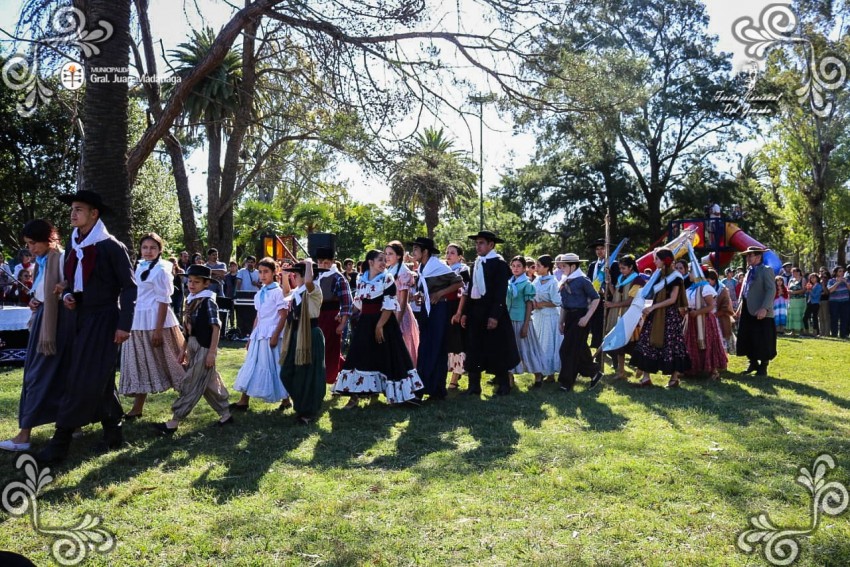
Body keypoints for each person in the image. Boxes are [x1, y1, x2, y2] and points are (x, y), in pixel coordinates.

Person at [36, 190, 137, 465]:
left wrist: (124, 325)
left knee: (80, 377)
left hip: (104, 320)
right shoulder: (75, 243)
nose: (73, 213)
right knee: (99, 378)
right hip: (79, 318)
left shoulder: (111, 246)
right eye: (72, 209)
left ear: (94, 214)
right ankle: (113, 433)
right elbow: (75, 282)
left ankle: (60, 442)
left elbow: (129, 287)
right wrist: (69, 295)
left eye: (79, 209)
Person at [1, 220, 74, 453]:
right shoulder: (43, 261)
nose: (30, 249)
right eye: (28, 245)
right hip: (44, 318)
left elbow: (71, 286)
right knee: (42, 375)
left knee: (38, 376)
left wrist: (63, 289)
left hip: (54, 325)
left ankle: (24, 435)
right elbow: (42, 290)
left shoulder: (61, 258)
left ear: (48, 239)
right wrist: (35, 299)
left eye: (34, 243)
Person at [332, 250, 424, 407]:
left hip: (385, 323)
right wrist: (344, 314)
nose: (384, 262)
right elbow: (358, 303)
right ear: (371, 262)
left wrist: (380, 326)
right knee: (358, 356)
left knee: (390, 357)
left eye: (385, 259)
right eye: (380, 259)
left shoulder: (387, 279)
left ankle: (397, 395)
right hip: (365, 324)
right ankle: (355, 396)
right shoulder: (362, 280)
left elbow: (388, 306)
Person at [154, 265, 233, 435]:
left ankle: (174, 420)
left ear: (206, 284)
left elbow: (216, 328)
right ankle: (225, 413)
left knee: (191, 382)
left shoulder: (208, 301)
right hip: (193, 345)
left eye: (196, 282)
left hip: (205, 347)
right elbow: (188, 331)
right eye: (190, 281)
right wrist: (183, 350)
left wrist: (212, 352)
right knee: (209, 383)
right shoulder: (190, 300)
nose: (191, 284)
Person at [119, 233, 186, 420]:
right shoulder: (139, 266)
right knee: (141, 365)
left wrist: (158, 330)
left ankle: (190, 398)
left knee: (174, 364)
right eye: (145, 247)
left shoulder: (162, 269)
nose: (148, 251)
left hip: (157, 322)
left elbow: (164, 301)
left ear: (160, 250)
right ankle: (137, 408)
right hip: (137, 323)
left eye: (153, 248)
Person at [460, 230, 520, 396]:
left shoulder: (499, 264)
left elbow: (500, 292)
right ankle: (473, 386)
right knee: (474, 348)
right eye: (477, 243)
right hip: (476, 312)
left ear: (491, 245)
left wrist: (494, 316)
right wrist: (465, 312)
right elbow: (471, 288)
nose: (477, 246)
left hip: (493, 311)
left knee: (497, 348)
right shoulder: (477, 263)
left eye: (481, 243)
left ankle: (503, 385)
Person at [230, 258, 291, 411]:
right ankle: (244, 400)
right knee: (252, 364)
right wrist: (251, 337)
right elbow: (258, 316)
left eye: (266, 272)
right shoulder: (259, 294)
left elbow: (283, 315)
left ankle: (286, 399)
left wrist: (276, 335)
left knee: (275, 365)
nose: (262, 275)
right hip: (259, 334)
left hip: (271, 334)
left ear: (274, 272)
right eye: (260, 272)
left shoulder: (278, 292)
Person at [410, 237, 463, 400]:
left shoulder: (437, 265)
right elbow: (425, 288)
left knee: (434, 346)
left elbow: (458, 282)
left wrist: (440, 293)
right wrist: (420, 295)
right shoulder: (423, 267)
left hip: (440, 309)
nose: (413, 253)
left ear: (425, 251)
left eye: (416, 250)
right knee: (427, 346)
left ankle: (427, 389)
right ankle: (435, 389)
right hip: (427, 309)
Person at [630, 248, 690, 388]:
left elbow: (672, 299)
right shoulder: (658, 275)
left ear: (664, 260)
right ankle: (646, 377)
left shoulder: (676, 277)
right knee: (647, 341)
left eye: (656, 258)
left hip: (669, 316)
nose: (654, 261)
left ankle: (674, 378)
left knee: (672, 345)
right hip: (655, 313)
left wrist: (653, 307)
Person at [279, 260, 326, 425]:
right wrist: (285, 276)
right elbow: (286, 293)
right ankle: (301, 405)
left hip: (310, 335)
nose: (294, 276)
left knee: (308, 375)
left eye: (296, 274)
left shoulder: (314, 290)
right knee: (287, 372)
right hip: (296, 334)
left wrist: (308, 264)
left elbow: (308, 281)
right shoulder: (298, 291)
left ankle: (308, 411)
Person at [556, 253, 603, 391]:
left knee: (566, 350)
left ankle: (566, 382)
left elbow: (596, 298)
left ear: (573, 266)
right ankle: (594, 372)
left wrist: (587, 317)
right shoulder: (566, 280)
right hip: (569, 317)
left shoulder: (583, 280)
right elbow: (564, 303)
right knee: (579, 349)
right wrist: (561, 321)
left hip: (580, 316)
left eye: (564, 266)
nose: (561, 268)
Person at [735, 246, 777, 376]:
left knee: (763, 339)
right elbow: (745, 292)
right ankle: (752, 362)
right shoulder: (748, 271)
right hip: (748, 309)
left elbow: (771, 290)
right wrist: (739, 308)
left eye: (750, 255)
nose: (747, 258)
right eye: (747, 255)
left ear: (758, 256)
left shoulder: (766, 270)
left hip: (761, 310)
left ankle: (763, 366)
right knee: (747, 337)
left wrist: (764, 308)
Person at [681, 262, 727, 381]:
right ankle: (692, 368)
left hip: (704, 320)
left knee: (708, 343)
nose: (689, 274)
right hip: (691, 320)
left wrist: (697, 312)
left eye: (691, 271)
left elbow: (711, 306)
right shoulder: (690, 288)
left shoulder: (706, 288)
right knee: (691, 343)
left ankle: (713, 371)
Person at [315, 246, 353, 383]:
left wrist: (342, 323)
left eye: (326, 262)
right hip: (317, 317)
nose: (323, 265)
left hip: (331, 316)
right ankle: (348, 370)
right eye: (320, 262)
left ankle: (330, 378)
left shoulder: (338, 278)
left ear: (332, 262)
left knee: (331, 349)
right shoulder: (316, 276)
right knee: (319, 348)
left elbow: (347, 302)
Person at [506, 255, 546, 388]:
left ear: (524, 268)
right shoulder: (510, 282)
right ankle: (510, 378)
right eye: (513, 266)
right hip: (509, 319)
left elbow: (529, 305)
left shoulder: (527, 284)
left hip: (522, 319)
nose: (516, 268)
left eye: (519, 266)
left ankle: (538, 375)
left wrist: (526, 324)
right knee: (510, 349)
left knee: (527, 348)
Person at [603, 255, 644, 380]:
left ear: (631, 267)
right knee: (620, 345)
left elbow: (631, 301)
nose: (621, 270)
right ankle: (621, 372)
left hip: (631, 316)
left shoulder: (637, 281)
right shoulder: (621, 278)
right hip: (619, 315)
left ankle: (641, 367)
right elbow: (616, 294)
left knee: (633, 345)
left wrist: (613, 304)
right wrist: (609, 283)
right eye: (620, 268)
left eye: (624, 268)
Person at [385, 241, 420, 366]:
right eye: (386, 254)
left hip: (400, 312)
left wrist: (398, 321)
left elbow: (403, 299)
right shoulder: (389, 269)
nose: (387, 257)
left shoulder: (402, 271)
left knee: (403, 343)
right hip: (388, 310)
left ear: (398, 256)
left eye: (390, 254)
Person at [530, 254, 561, 386]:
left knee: (547, 343)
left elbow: (557, 302)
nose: (535, 268)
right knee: (537, 343)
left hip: (549, 316)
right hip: (537, 316)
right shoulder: (536, 280)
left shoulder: (553, 282)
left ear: (546, 267)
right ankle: (539, 371)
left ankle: (550, 373)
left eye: (538, 265)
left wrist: (542, 304)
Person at [445, 243, 469, 390]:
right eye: (447, 252)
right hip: (445, 307)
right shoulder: (443, 269)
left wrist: (459, 312)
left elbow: (465, 292)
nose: (448, 255)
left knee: (457, 342)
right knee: (448, 342)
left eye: (452, 252)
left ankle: (455, 377)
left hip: (457, 306)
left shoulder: (463, 269)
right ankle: (451, 372)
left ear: (460, 256)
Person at [586, 238, 617, 350]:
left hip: (608, 300)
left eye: (602, 248)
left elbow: (617, 283)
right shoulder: (592, 265)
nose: (599, 251)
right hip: (594, 300)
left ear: (607, 249)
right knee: (595, 327)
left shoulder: (613, 264)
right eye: (597, 249)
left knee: (607, 327)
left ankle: (610, 351)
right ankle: (596, 347)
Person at [707, 269, 736, 354]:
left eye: (708, 280)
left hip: (720, 319)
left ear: (714, 280)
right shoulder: (705, 288)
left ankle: (723, 361)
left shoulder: (722, 289)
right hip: (708, 318)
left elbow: (726, 306)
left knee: (721, 339)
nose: (707, 282)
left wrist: (716, 314)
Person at [827, 266, 850, 338]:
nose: (842, 273)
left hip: (845, 302)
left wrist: (846, 282)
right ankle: (834, 334)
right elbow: (830, 290)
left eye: (843, 271)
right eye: (840, 271)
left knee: (844, 318)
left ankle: (843, 334)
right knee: (834, 318)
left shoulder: (847, 280)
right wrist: (838, 282)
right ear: (836, 272)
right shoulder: (831, 281)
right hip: (834, 302)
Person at [786, 267, 805, 336]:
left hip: (800, 300)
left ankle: (800, 330)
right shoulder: (791, 280)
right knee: (792, 315)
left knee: (799, 315)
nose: (794, 273)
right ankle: (792, 331)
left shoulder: (802, 279)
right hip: (791, 300)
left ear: (799, 272)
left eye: (795, 272)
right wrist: (788, 293)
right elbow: (788, 289)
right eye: (792, 272)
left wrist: (794, 292)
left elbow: (803, 290)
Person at [803, 273, 822, 337]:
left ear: (817, 278)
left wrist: (810, 290)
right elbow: (807, 294)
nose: (812, 279)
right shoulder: (810, 285)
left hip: (815, 303)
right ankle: (807, 331)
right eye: (811, 278)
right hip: (809, 302)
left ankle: (815, 332)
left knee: (814, 318)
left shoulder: (819, 286)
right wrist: (807, 290)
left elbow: (815, 295)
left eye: (814, 277)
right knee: (805, 317)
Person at [818, 267, 831, 335]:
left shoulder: (829, 281)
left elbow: (827, 292)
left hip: (826, 300)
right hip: (818, 301)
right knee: (820, 317)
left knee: (826, 317)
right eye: (820, 272)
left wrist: (823, 285)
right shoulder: (817, 281)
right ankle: (821, 332)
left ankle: (827, 333)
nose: (823, 277)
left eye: (825, 276)